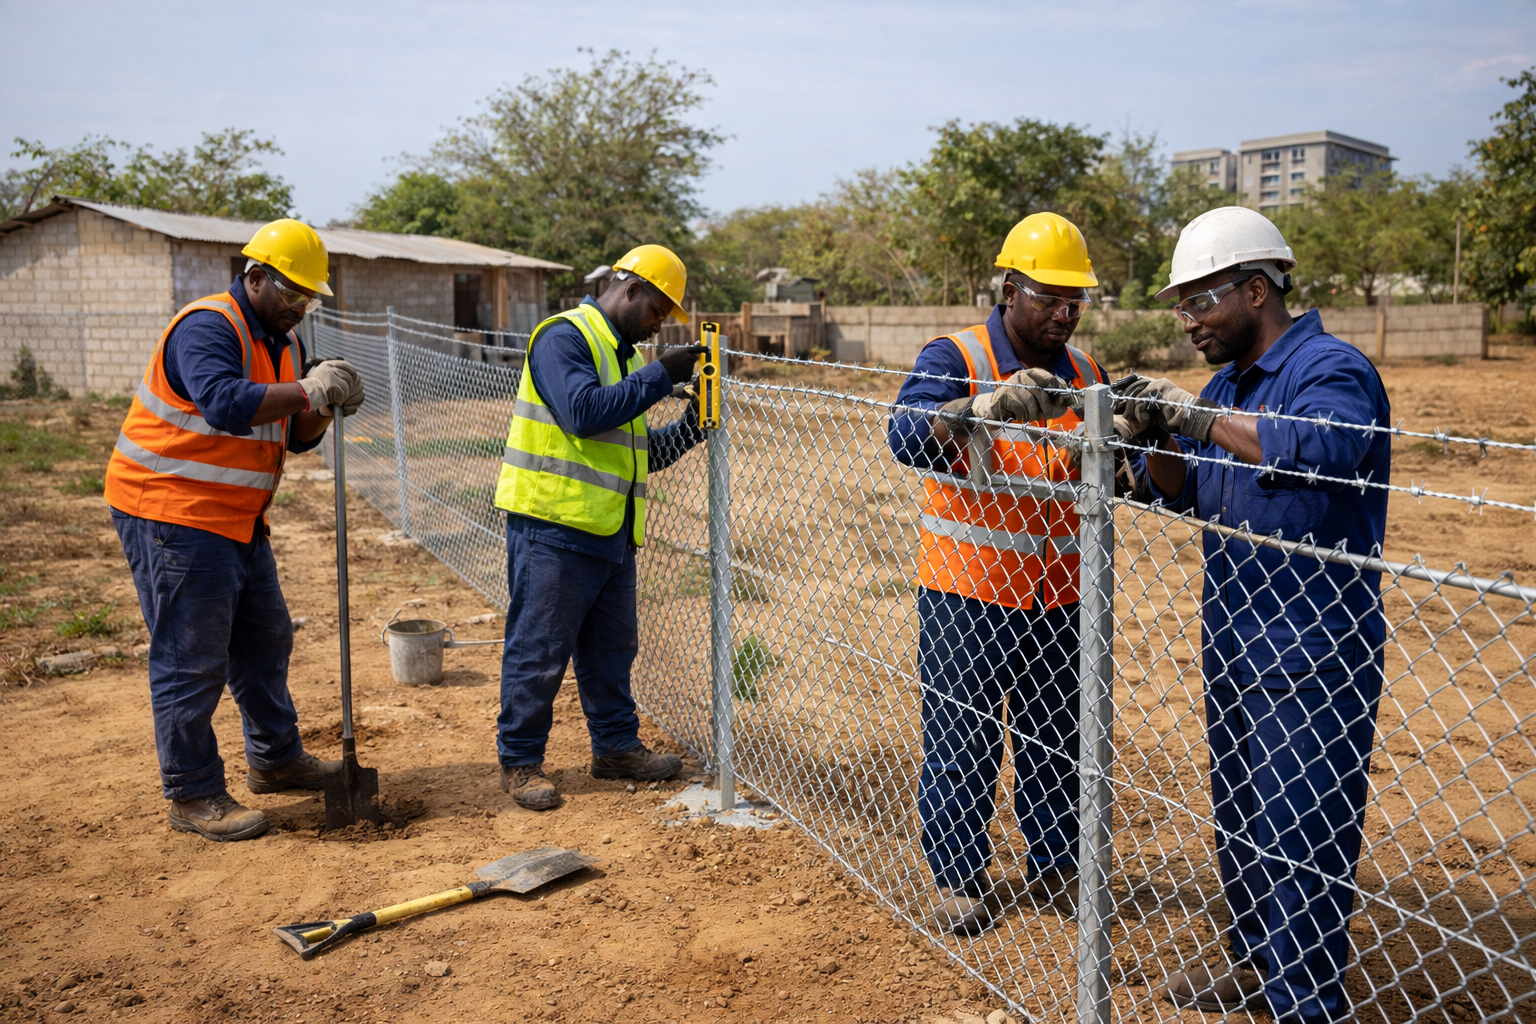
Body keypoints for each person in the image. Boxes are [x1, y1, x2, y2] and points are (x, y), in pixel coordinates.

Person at [1125, 206, 1390, 1023]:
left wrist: (1197, 418)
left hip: (1313, 644)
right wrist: (1155, 433)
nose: (1188, 321)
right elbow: (1186, 491)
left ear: (1255, 290)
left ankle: (1306, 1002)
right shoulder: (1225, 387)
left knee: (1302, 831)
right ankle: (1257, 966)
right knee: (1242, 820)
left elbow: (1325, 447)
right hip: (1235, 635)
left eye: (1199, 302)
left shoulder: (1329, 368)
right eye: (1181, 307)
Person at [104, 219, 366, 842]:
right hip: (171, 511)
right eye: (292, 293)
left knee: (265, 640)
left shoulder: (285, 340)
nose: (299, 307)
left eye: (308, 298)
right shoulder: (207, 327)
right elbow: (223, 403)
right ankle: (192, 794)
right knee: (191, 658)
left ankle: (275, 760)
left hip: (238, 517)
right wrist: (306, 389)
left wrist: (325, 406)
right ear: (254, 277)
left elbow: (295, 438)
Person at [887, 213, 1109, 935]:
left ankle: (1056, 864)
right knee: (964, 739)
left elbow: (1114, 469)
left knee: (1058, 739)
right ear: (1010, 289)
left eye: (1075, 300)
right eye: (1049, 297)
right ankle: (957, 877)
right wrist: (977, 409)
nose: (1064, 313)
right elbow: (905, 434)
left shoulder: (1088, 374)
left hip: (1063, 593)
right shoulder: (957, 355)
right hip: (969, 591)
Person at [492, 243, 709, 811]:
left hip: (610, 529)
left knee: (612, 651)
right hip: (553, 525)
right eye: (657, 311)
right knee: (540, 650)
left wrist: (693, 426)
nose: (658, 325)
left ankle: (615, 748)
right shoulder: (563, 337)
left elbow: (638, 454)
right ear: (631, 289)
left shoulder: (626, 359)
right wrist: (662, 375)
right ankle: (520, 760)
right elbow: (583, 413)